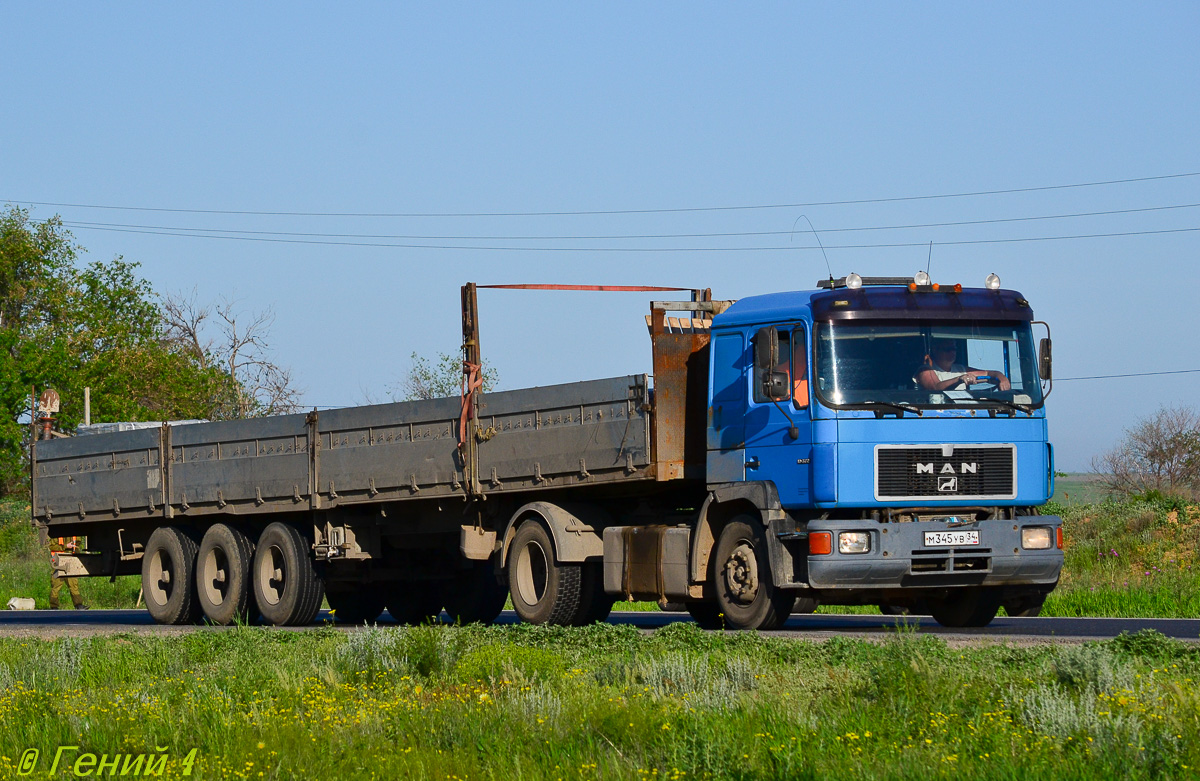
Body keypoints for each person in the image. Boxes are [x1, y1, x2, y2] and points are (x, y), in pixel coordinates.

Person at [916, 340, 1011, 392]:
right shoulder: (925, 370)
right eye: (948, 349)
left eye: (954, 349)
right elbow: (935, 388)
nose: (952, 352)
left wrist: (1002, 378)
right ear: (935, 350)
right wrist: (959, 379)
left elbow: (989, 373)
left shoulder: (960, 369)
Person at [48, 536, 89, 610]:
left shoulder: (75, 534)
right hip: (59, 562)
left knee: (73, 584)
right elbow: (52, 547)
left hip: (71, 561)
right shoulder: (56, 534)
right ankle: (54, 606)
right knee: (56, 585)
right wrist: (66, 546)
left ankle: (78, 605)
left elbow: (78, 544)